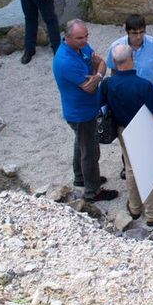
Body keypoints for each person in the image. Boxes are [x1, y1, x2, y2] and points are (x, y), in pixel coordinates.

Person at [100, 43, 153, 226]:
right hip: (142, 130)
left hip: (122, 129)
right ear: (131, 59)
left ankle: (134, 207)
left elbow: (102, 106)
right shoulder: (143, 85)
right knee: (147, 170)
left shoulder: (108, 84)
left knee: (130, 168)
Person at [105, 13, 153, 180]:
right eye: (134, 33)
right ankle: (127, 164)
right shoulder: (117, 47)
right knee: (128, 134)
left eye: (141, 32)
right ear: (127, 31)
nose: (138, 36)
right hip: (128, 97)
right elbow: (113, 72)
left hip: (150, 95)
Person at [52, 20, 115, 202]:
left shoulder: (81, 47)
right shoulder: (66, 61)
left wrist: (97, 74)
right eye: (80, 37)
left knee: (81, 144)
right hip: (81, 113)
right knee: (90, 152)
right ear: (68, 37)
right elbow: (90, 88)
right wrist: (98, 73)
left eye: (86, 36)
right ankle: (92, 191)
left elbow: (100, 63)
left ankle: (81, 177)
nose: (85, 40)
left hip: (82, 109)